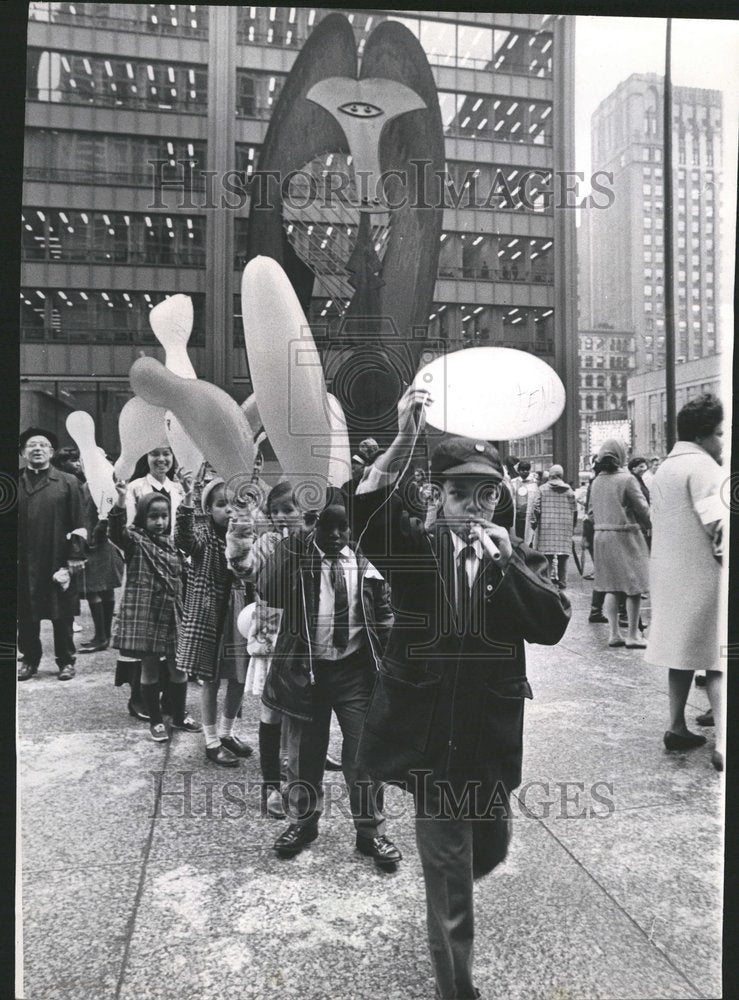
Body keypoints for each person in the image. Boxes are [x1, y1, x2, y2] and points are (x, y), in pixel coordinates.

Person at [351, 387, 571, 1000]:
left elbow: (553, 622)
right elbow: (366, 516)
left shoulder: (514, 556)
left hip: (489, 741)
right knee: (452, 893)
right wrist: (400, 441)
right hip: (431, 745)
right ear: (437, 498)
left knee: (490, 849)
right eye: (458, 492)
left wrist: (507, 565)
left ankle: (445, 877)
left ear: (498, 498)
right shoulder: (417, 555)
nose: (473, 505)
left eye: (485, 493)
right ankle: (458, 988)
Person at [256, 503, 401, 869]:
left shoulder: (364, 562)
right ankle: (303, 825)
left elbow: (382, 612)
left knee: (363, 756)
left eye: (343, 527)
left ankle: (371, 832)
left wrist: (391, 660)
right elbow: (268, 590)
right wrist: (290, 541)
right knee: (306, 756)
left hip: (355, 672)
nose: (335, 535)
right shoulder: (296, 556)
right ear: (314, 526)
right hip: (308, 673)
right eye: (327, 527)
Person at [645, 394, 725, 770]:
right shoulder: (704, 468)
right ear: (705, 435)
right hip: (705, 575)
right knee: (717, 658)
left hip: (668, 573)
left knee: (681, 655)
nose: (722, 442)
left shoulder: (664, 469)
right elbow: (718, 525)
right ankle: (723, 738)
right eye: (720, 434)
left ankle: (677, 725)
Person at [109, 482, 201, 742]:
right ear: (141, 516)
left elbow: (186, 539)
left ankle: (180, 715)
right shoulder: (134, 540)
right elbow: (115, 531)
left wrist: (189, 497)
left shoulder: (173, 544)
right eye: (153, 516)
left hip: (172, 613)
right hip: (147, 614)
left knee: (178, 668)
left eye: (164, 516)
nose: (160, 521)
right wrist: (120, 499)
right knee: (149, 668)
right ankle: (156, 720)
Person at [235, 481, 306, 817]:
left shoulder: (316, 541)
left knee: (302, 708)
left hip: (305, 632)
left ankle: (297, 773)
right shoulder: (267, 542)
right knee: (271, 708)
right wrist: (240, 535)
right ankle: (271, 787)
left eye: (288, 510)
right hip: (269, 624)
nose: (281, 517)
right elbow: (246, 569)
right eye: (275, 510)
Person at [175, 472, 253, 767]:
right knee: (211, 679)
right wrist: (186, 502)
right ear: (207, 510)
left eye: (234, 503)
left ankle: (227, 731)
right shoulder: (203, 537)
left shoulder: (245, 534)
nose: (229, 510)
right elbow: (183, 538)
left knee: (238, 677)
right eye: (221, 504)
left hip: (239, 613)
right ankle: (210, 740)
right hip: (211, 616)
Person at [18, 428, 87, 681]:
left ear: (51, 452)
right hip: (23, 561)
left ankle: (66, 661)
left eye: (43, 445)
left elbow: (80, 523)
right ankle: (29, 660)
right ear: (23, 452)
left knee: (62, 614)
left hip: (58, 557)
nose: (37, 448)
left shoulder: (68, 482)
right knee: (26, 613)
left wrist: (76, 555)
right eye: (31, 445)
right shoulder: (12, 483)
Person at [52, 445, 124, 654]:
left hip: (94, 542)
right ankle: (104, 635)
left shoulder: (92, 485)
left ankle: (100, 636)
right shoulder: (105, 484)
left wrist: (90, 538)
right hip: (106, 542)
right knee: (106, 589)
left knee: (93, 589)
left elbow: (96, 516)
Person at [588, 440, 651, 649]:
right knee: (633, 588)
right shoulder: (627, 479)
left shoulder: (596, 481)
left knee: (611, 587)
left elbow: (590, 513)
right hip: (626, 536)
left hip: (602, 538)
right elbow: (643, 509)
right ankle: (633, 635)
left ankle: (614, 633)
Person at [530, 464, 577, 589]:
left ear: (550, 474)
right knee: (563, 555)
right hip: (564, 525)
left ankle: (547, 581)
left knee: (547, 554)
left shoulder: (542, 489)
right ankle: (562, 581)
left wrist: (533, 523)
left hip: (546, 525)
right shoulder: (569, 490)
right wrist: (573, 526)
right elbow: (574, 509)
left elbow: (536, 508)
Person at [126, 447, 184, 537]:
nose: (161, 459)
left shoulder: (179, 490)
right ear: (146, 457)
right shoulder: (134, 488)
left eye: (166, 454)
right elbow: (127, 527)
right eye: (155, 454)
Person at [511, 460, 538, 543]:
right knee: (517, 535)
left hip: (529, 514)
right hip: (517, 515)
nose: (525, 472)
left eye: (527, 470)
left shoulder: (534, 482)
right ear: (518, 471)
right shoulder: (513, 482)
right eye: (523, 470)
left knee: (529, 536)